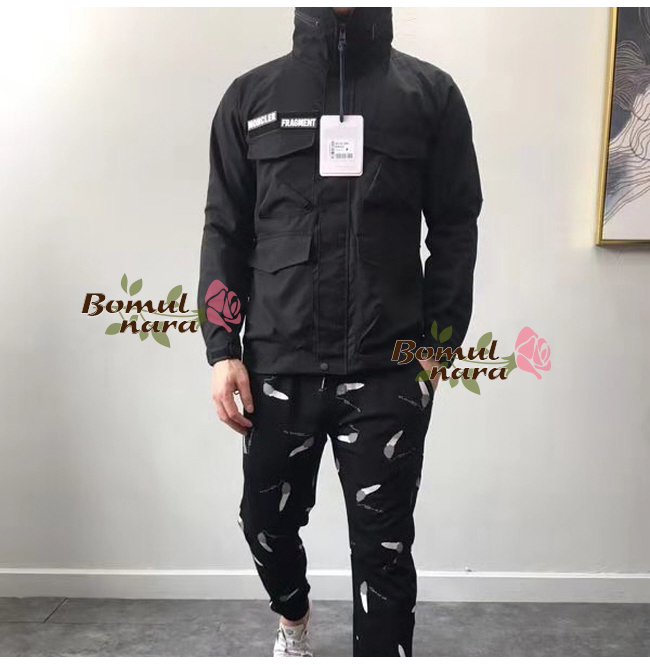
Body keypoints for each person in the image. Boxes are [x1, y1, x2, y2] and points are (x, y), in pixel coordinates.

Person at [198, 7, 483, 657]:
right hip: (278, 362)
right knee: (264, 522)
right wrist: (222, 348)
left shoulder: (429, 94)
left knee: (384, 548)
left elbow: (455, 224)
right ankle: (293, 619)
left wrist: (437, 346)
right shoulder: (251, 97)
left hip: (388, 368)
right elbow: (225, 230)